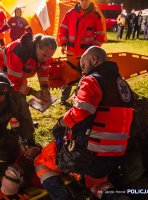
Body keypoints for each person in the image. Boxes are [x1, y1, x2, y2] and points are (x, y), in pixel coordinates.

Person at [34, 46, 134, 200]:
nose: (83, 72)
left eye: (84, 66)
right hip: (116, 153)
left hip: (90, 152)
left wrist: (60, 123)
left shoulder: (92, 80)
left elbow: (80, 113)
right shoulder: (122, 84)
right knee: (95, 182)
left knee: (41, 161)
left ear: (94, 59)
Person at [0, 32, 57, 146]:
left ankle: (22, 127)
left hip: (20, 75)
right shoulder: (18, 52)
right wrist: (33, 92)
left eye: (50, 56)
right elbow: (13, 82)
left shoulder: (45, 53)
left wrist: (44, 88)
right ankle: (21, 132)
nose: (47, 59)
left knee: (20, 99)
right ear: (37, 46)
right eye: (45, 55)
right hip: (6, 74)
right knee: (16, 100)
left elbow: (43, 71)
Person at [58, 0, 105, 103]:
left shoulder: (95, 16)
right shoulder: (70, 13)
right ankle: (64, 99)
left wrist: (94, 49)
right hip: (71, 52)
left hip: (86, 54)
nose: (84, 2)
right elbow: (63, 29)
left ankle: (81, 98)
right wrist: (63, 43)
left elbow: (100, 35)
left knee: (86, 76)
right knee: (69, 75)